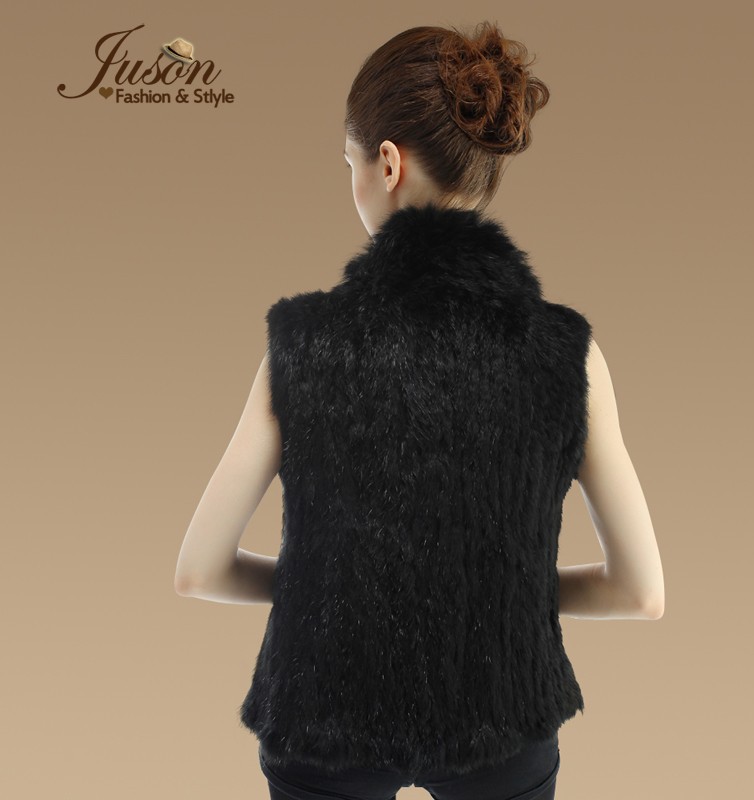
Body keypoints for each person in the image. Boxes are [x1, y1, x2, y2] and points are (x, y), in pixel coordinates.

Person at [175, 20, 664, 800]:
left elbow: (199, 571)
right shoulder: (568, 354)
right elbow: (640, 592)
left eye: (349, 165)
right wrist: (495, 590)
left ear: (388, 163)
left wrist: (334, 585)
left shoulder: (302, 344)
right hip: (502, 716)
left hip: (322, 713)